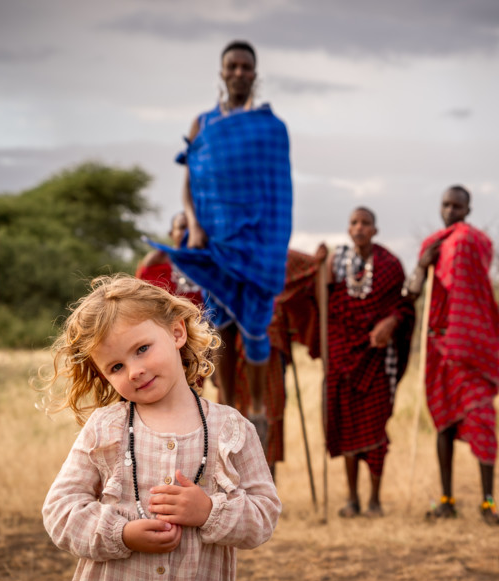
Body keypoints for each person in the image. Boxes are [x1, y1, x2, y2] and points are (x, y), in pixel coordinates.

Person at [39, 275, 281, 581]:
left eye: (142, 349)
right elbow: (60, 510)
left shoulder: (231, 429)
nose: (134, 371)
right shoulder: (104, 429)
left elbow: (264, 514)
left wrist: (210, 511)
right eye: (115, 367)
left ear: (177, 332)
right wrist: (121, 534)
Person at [148, 40, 292, 446]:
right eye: (233, 66)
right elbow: (190, 186)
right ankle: (229, 405)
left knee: (258, 326)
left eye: (247, 67)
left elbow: (279, 189)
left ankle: (258, 410)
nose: (240, 73)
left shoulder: (271, 127)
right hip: (218, 242)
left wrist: (276, 239)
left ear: (255, 74)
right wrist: (194, 225)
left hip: (260, 240)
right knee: (223, 324)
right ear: (223, 71)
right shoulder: (204, 125)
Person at [403, 185, 499, 525]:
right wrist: (422, 263)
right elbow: (413, 292)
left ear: (468, 209)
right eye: (445, 204)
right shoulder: (432, 244)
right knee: (444, 422)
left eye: (457, 206)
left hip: (470, 347)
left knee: (481, 421)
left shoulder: (471, 242)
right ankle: (447, 500)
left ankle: (488, 503)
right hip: (439, 347)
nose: (450, 210)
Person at [326, 207, 414, 518]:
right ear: (348, 229)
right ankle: (352, 499)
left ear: (375, 230)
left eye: (365, 223)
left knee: (376, 427)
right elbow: (325, 303)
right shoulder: (336, 263)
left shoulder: (390, 265)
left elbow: (405, 307)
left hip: (378, 359)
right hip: (342, 359)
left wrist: (391, 322)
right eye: (354, 223)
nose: (359, 228)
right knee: (348, 426)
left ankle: (375, 501)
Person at [230, 247, 326, 477]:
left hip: (271, 346)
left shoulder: (279, 255)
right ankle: (234, 490)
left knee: (270, 415)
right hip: (235, 350)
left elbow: (313, 266)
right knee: (233, 417)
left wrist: (320, 259)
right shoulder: (230, 254)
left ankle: (265, 490)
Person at [136, 212, 203, 306]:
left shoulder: (209, 263)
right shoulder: (157, 261)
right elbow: (142, 299)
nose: (188, 232)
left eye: (192, 227)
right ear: (171, 234)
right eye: (182, 227)